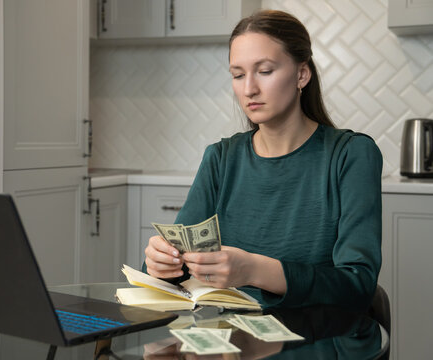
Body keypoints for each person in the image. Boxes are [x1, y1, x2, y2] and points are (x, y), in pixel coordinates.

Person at [143, 9, 383, 309]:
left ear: (302, 74)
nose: (248, 89)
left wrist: (255, 270)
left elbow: (358, 284)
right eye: (238, 75)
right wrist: (159, 265)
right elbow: (178, 270)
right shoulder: (220, 158)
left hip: (319, 342)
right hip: (229, 342)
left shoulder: (351, 155)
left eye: (265, 71)